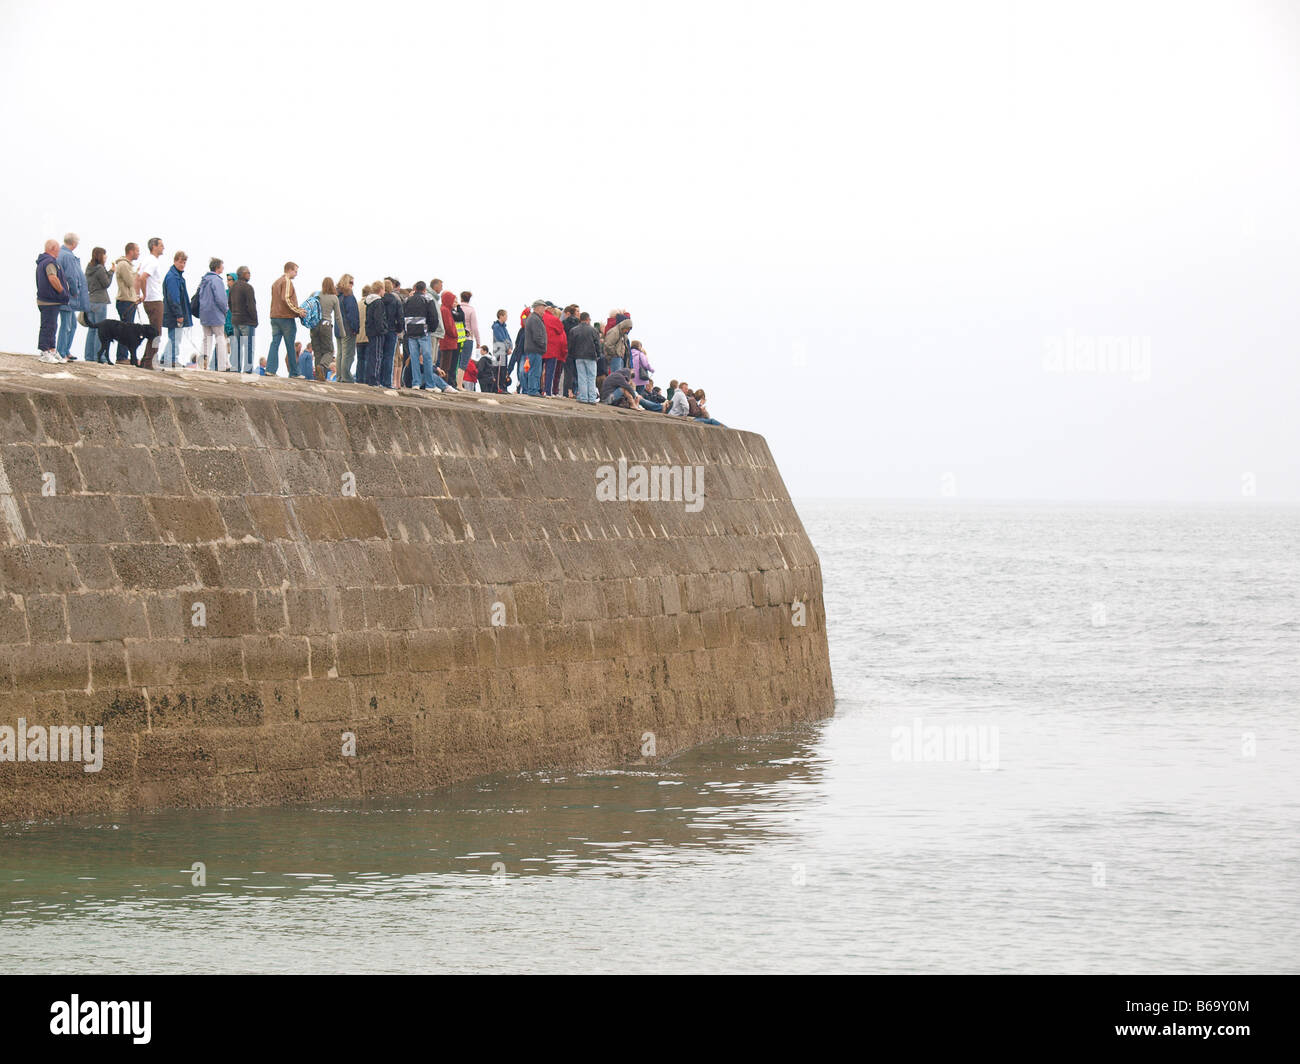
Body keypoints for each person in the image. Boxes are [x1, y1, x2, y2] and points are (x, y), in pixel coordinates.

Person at [268, 261, 305, 377]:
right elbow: (286, 299)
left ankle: (270, 369)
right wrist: (299, 311)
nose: (296, 274)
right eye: (295, 271)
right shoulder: (287, 281)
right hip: (286, 318)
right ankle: (294, 372)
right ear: (289, 270)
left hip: (274, 316)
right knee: (290, 345)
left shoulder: (276, 282)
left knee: (275, 343)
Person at [35, 239, 68, 363]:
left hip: (49, 300)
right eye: (58, 248)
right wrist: (62, 292)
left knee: (53, 326)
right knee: (48, 326)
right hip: (49, 300)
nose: (59, 251)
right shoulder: (49, 262)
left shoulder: (46, 261)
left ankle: (52, 350)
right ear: (53, 248)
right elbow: (53, 278)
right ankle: (44, 352)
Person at [55, 233, 88, 361]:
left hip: (63, 294)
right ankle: (62, 352)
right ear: (74, 243)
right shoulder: (68, 256)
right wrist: (75, 292)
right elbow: (70, 277)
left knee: (72, 324)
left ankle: (65, 350)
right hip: (68, 296)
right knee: (66, 325)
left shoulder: (61, 253)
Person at [136, 236, 167, 369]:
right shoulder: (152, 261)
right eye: (161, 245)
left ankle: (146, 361)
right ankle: (150, 362)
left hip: (150, 299)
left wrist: (139, 294)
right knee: (156, 333)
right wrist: (145, 294)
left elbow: (137, 277)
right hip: (154, 299)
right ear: (154, 246)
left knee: (152, 332)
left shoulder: (146, 260)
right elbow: (142, 278)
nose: (163, 247)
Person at [403, 281, 439, 391]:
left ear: (415, 289)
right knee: (427, 358)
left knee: (414, 358)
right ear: (424, 290)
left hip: (411, 331)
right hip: (424, 331)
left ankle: (416, 383)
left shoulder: (407, 300)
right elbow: (434, 317)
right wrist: (431, 329)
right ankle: (430, 384)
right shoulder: (428, 299)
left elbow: (403, 314)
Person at [160, 251, 192, 369]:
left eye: (184, 262)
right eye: (180, 262)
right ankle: (172, 359)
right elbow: (174, 298)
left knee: (173, 337)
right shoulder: (173, 277)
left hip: (172, 312)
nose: (182, 264)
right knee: (175, 337)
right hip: (173, 313)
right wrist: (179, 314)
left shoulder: (176, 276)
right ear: (174, 261)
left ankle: (165, 358)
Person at [197, 257, 230, 371]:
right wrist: (225, 310)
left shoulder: (204, 280)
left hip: (204, 313)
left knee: (206, 339)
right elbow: (220, 299)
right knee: (220, 339)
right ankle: (223, 365)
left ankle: (202, 365)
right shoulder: (217, 280)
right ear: (217, 267)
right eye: (222, 265)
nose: (223, 268)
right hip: (216, 314)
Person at [82, 247, 113, 362]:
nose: (106, 257)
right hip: (100, 300)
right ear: (101, 256)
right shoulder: (100, 268)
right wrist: (111, 272)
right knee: (100, 330)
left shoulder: (89, 267)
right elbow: (106, 283)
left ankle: (89, 356)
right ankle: (98, 357)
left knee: (92, 329)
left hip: (90, 300)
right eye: (104, 255)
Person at [312, 277, 345, 380]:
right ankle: (322, 366)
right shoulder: (334, 298)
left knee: (317, 351)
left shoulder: (315, 294)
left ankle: (319, 377)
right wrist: (343, 332)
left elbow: (306, 307)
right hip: (326, 325)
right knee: (329, 351)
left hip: (314, 325)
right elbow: (338, 317)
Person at [229, 266, 258, 373]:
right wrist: (255, 320)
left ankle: (236, 368)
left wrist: (234, 314)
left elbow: (229, 304)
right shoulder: (248, 288)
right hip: (246, 321)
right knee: (249, 346)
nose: (250, 274)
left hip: (235, 320)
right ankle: (248, 369)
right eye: (248, 273)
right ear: (242, 274)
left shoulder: (232, 287)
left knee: (237, 346)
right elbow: (251, 305)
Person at [568, 311, 600, 403]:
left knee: (581, 376)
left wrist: (572, 355)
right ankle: (592, 398)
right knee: (591, 377)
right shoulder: (593, 330)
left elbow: (571, 345)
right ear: (587, 319)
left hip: (578, 356)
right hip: (591, 356)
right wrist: (598, 354)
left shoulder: (574, 330)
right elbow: (597, 344)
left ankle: (583, 397)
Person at [520, 300, 547, 396]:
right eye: (543, 307)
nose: (544, 309)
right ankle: (533, 390)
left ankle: (533, 389)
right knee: (535, 370)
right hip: (535, 348)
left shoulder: (534, 318)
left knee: (535, 370)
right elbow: (537, 336)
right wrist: (543, 344)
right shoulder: (535, 319)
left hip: (534, 348)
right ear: (537, 307)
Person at [380, 279, 403, 389]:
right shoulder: (396, 300)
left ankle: (379, 380)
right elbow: (400, 317)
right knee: (389, 356)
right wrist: (399, 329)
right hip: (392, 330)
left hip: (381, 330)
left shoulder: (379, 300)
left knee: (380, 355)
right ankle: (387, 381)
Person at [336, 274, 359, 383]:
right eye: (351, 282)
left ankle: (340, 376)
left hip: (338, 328)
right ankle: (346, 377)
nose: (352, 285)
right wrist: (355, 328)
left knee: (340, 353)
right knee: (348, 354)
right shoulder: (348, 296)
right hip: (347, 328)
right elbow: (352, 314)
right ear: (346, 282)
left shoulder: (337, 296)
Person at [541, 302, 567, 396]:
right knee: (550, 373)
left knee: (538, 371)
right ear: (550, 309)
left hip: (540, 348)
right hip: (552, 350)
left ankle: (537, 389)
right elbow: (560, 330)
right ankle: (548, 391)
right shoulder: (554, 319)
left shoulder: (539, 318)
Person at [364, 281, 387, 386]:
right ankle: (375, 380)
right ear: (380, 289)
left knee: (371, 356)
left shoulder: (369, 301)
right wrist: (382, 330)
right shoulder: (378, 302)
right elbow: (378, 318)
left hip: (370, 331)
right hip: (377, 333)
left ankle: (370, 379)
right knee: (377, 356)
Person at [113, 243, 140, 325]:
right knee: (127, 329)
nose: (139, 253)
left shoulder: (127, 265)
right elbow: (130, 282)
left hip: (128, 301)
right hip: (125, 301)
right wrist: (137, 273)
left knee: (128, 328)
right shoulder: (124, 264)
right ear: (131, 251)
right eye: (137, 251)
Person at [458, 290, 480, 387]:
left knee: (455, 361)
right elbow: (474, 327)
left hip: (457, 337)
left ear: (461, 298)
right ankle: (459, 384)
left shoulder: (457, 308)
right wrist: (478, 341)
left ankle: (453, 383)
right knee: (463, 363)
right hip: (468, 338)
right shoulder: (471, 310)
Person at [437, 288, 459, 382]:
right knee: (446, 364)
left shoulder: (444, 309)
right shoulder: (445, 310)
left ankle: (443, 382)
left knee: (445, 363)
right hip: (448, 340)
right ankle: (443, 382)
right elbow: (449, 326)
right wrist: (455, 334)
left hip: (446, 340)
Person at [354, 282, 372, 384]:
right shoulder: (370, 304)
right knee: (367, 359)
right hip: (368, 335)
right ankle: (365, 379)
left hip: (358, 335)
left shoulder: (357, 304)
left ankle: (359, 378)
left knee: (360, 359)